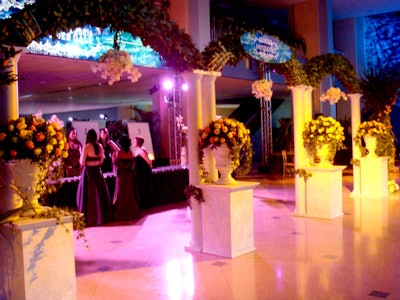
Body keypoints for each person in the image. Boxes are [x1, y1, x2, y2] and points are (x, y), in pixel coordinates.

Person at [76, 129, 111, 227]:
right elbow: (101, 162)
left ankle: (91, 218)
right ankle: (101, 216)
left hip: (89, 173)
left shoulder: (86, 147)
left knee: (89, 195)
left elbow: (82, 163)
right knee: (99, 194)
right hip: (98, 172)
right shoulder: (100, 146)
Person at [112, 135, 141, 221]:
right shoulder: (130, 153)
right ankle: (131, 213)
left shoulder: (119, 153)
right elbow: (132, 164)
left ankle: (121, 214)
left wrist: (113, 158)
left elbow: (116, 164)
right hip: (129, 176)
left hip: (121, 176)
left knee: (120, 194)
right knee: (129, 194)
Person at [132, 136, 153, 209]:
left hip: (144, 173)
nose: (133, 143)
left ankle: (145, 205)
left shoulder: (142, 150)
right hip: (139, 173)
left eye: (134, 141)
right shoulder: (136, 151)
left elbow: (148, 161)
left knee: (143, 188)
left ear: (138, 142)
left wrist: (150, 170)